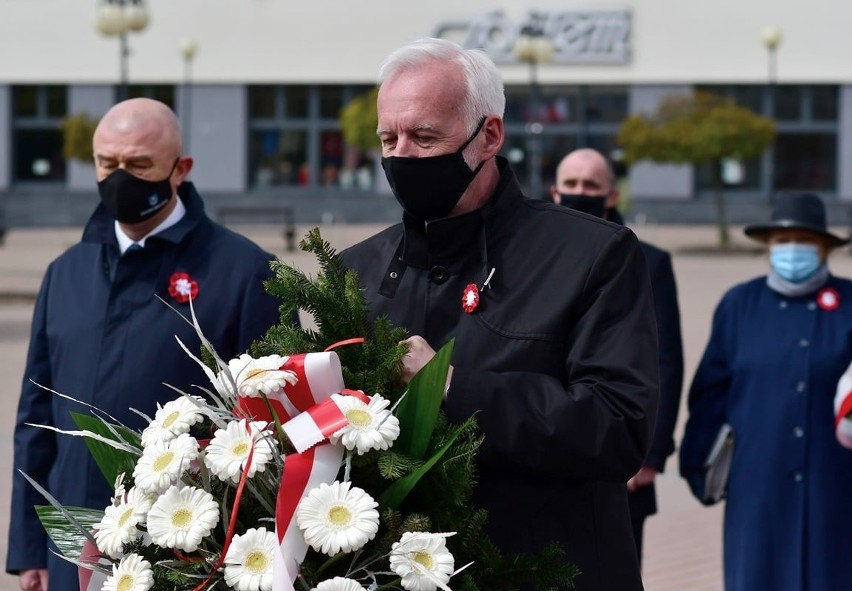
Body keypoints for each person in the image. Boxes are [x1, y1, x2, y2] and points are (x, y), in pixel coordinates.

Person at [341, 38, 659, 590]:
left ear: (488, 136)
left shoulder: (591, 255)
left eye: (423, 136)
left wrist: (452, 389)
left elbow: (618, 428)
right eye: (388, 138)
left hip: (546, 570)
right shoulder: (355, 272)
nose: (402, 156)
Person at [6, 98, 283, 591]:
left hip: (183, 552)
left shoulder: (243, 272)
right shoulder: (64, 273)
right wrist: (31, 549)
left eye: (138, 165)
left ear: (180, 170)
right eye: (107, 164)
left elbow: (267, 430)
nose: (119, 178)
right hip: (72, 542)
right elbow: (36, 422)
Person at [679, 192, 852, 591]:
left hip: (835, 486)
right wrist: (700, 466)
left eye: (803, 241)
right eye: (781, 241)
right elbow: (710, 393)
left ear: (824, 248)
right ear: (768, 247)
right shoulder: (740, 305)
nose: (792, 250)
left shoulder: (848, 305)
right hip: (758, 486)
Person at [550, 148, 684, 564]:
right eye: (571, 185)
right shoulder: (532, 257)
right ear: (554, 193)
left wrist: (649, 455)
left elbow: (666, 360)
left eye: (591, 185)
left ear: (611, 195)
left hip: (621, 459)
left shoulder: (650, 261)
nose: (580, 192)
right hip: (546, 441)